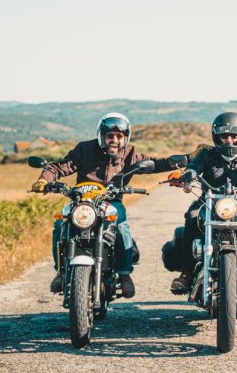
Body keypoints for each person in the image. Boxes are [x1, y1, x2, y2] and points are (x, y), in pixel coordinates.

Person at [31, 112, 185, 298]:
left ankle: (124, 274)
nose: (114, 140)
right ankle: (61, 272)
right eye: (110, 135)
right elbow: (59, 167)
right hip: (82, 202)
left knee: (121, 226)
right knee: (60, 225)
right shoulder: (84, 149)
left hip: (111, 202)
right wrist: (44, 180)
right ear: (101, 135)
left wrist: (181, 160)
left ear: (125, 138)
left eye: (119, 136)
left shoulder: (130, 154)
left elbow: (155, 163)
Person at [169, 112, 237, 295]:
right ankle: (187, 273)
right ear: (216, 136)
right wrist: (185, 176)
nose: (228, 140)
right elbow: (194, 167)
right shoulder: (206, 153)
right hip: (209, 202)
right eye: (224, 136)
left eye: (233, 136)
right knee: (192, 217)